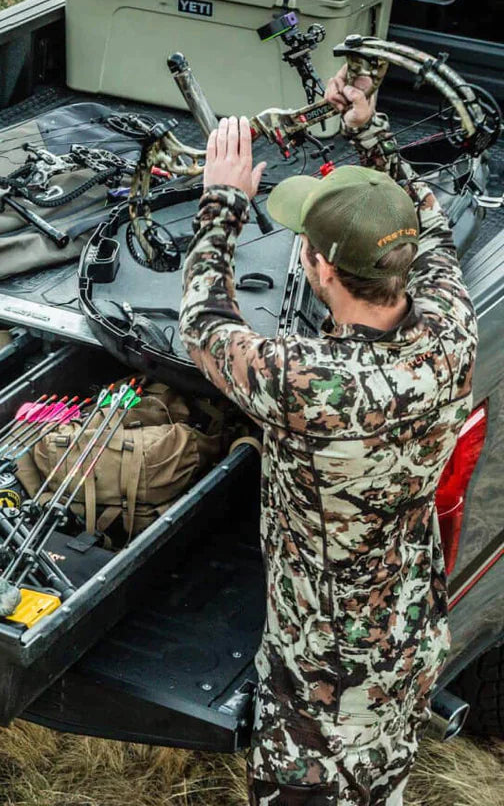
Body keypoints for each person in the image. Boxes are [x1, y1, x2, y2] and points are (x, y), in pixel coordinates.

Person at [178, 68, 478, 806]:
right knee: (385, 780)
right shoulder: (451, 324)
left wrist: (221, 203)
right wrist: (368, 132)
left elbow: (202, 325)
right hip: (406, 633)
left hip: (322, 676)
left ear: (321, 269)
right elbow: (432, 223)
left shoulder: (304, 381)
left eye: (306, 242)